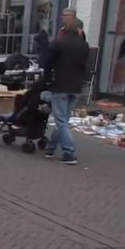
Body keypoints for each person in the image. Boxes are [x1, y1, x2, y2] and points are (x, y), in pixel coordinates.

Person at [43, 23, 90, 165]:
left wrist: (47, 80)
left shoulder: (58, 44)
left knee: (61, 121)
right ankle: (50, 148)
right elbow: (84, 66)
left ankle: (69, 153)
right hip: (75, 87)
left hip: (60, 85)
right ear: (78, 31)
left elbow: (48, 63)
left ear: (64, 32)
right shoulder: (84, 45)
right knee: (63, 120)